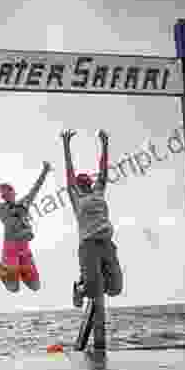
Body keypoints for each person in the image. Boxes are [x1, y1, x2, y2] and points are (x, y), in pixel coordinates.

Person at [59, 129, 123, 308]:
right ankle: (81, 287)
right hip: (89, 245)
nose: (84, 183)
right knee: (94, 291)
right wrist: (66, 146)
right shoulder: (76, 197)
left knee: (115, 289)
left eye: (86, 180)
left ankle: (91, 278)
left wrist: (105, 144)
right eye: (80, 182)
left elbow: (103, 170)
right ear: (78, 185)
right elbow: (69, 172)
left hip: (107, 243)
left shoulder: (99, 192)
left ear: (90, 182)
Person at [0, 161, 52, 292]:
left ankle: (18, 271)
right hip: (10, 249)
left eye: (7, 191)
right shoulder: (0, 208)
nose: (4, 195)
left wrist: (45, 171)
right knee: (13, 288)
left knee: (35, 286)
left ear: (13, 192)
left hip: (25, 249)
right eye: (2, 193)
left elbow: (36, 188)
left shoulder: (24, 202)